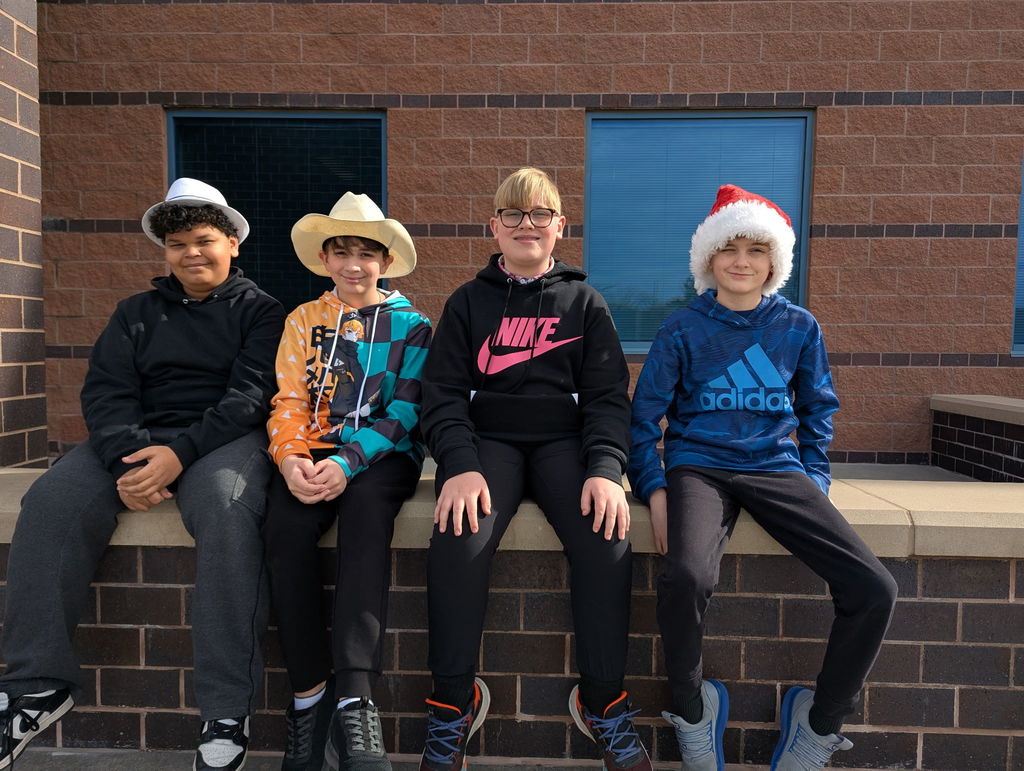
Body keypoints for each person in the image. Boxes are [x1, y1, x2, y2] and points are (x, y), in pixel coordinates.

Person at [0, 178, 285, 771]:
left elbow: (250, 396)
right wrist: (132, 459)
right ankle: (35, 685)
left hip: (223, 442)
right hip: (136, 441)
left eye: (204, 240)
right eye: (177, 244)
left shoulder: (264, 312)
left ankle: (225, 709)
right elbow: (105, 391)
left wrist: (178, 456)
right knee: (50, 501)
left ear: (233, 243)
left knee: (226, 506)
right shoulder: (134, 313)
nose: (191, 254)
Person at [627, 184, 898, 770]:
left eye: (755, 249)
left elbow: (817, 408)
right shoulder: (683, 328)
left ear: (774, 260)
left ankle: (819, 722)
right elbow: (644, 418)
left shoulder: (798, 326)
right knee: (686, 578)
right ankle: (694, 710)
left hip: (776, 467)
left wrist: (816, 480)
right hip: (699, 466)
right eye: (729, 249)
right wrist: (655, 487)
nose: (741, 261)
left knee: (875, 588)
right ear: (709, 260)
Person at [418, 167, 651, 771]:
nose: (527, 225)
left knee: (607, 536)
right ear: (493, 226)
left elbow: (606, 396)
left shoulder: (585, 302)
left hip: (562, 446)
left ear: (559, 226)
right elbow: (441, 393)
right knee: (457, 537)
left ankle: (603, 702)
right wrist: (459, 465)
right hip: (487, 443)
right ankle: (451, 706)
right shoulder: (468, 303)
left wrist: (604, 467)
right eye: (514, 215)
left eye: (539, 214)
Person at [263, 193, 431, 771]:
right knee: (284, 532)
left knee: (364, 522)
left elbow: (407, 410)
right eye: (340, 252)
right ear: (325, 258)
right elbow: (287, 400)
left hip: (381, 460)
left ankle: (356, 699)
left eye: (365, 253)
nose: (353, 265)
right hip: (308, 454)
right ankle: (310, 700)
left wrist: (347, 462)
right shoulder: (301, 321)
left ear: (385, 260)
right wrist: (290, 460)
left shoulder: (413, 326)